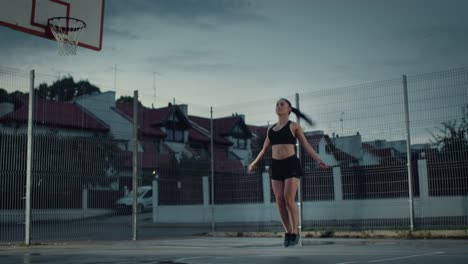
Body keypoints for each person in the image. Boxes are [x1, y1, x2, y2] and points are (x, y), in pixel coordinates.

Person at [248, 98, 328, 247]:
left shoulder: (294, 126)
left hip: (291, 164)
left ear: (289, 109)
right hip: (276, 165)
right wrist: (254, 162)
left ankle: (295, 232)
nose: (278, 106)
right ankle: (288, 231)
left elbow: (306, 145)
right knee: (279, 200)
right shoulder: (270, 130)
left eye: (282, 104)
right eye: (277, 104)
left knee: (288, 198)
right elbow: (264, 149)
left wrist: (318, 159)